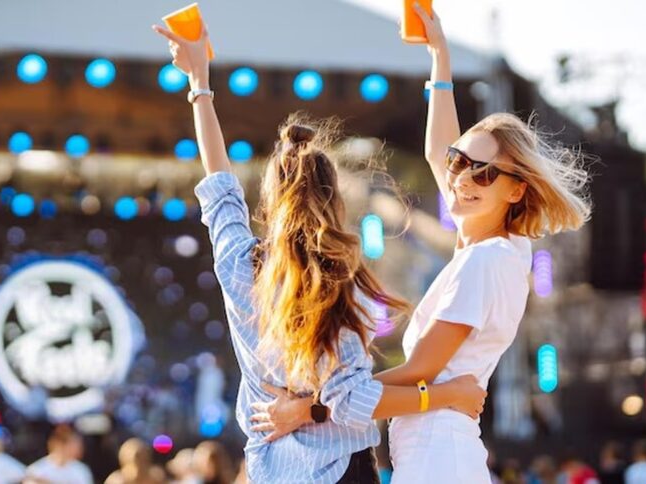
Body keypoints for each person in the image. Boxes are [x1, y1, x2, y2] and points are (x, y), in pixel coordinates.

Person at [247, 4, 589, 484]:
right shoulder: (497, 249)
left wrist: (310, 409)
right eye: (460, 163)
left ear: (516, 190)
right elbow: (439, 148)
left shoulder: (486, 263)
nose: (464, 178)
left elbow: (420, 370)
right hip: (432, 450)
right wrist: (440, 59)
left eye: (484, 172)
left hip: (437, 455)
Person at [152, 17, 488, 484]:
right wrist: (444, 395)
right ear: (335, 202)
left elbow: (220, 186)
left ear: (270, 199)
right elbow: (354, 403)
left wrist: (200, 86)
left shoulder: (238, 264)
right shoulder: (332, 286)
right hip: (341, 474)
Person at [25, 425, 93, 484]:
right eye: (73, 445)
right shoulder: (37, 469)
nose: (79, 449)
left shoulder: (81, 469)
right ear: (58, 444)